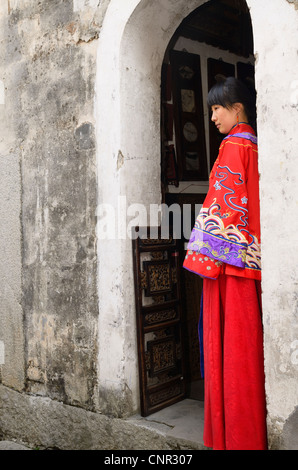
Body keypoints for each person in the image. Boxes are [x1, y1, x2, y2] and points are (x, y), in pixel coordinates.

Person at [183, 77, 267, 450]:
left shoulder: (233, 146)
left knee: (230, 353)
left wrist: (203, 260)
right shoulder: (255, 147)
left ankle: (234, 440)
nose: (213, 116)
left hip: (228, 268)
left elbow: (223, 210)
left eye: (218, 108)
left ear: (238, 109)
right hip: (251, 262)